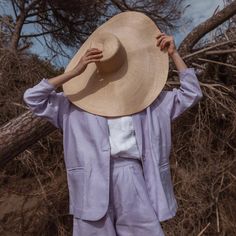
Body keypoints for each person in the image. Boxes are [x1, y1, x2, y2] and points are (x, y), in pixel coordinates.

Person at [23, 26, 203, 236]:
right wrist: (73, 73)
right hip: (89, 181)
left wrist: (174, 54)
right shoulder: (74, 104)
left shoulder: (148, 101)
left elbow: (191, 93)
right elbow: (32, 98)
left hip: (131, 177)